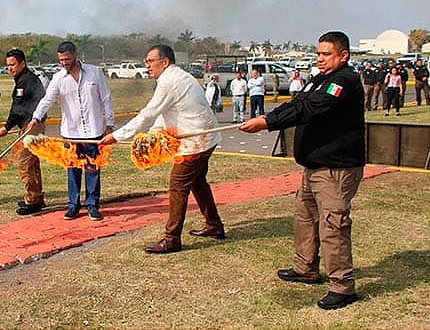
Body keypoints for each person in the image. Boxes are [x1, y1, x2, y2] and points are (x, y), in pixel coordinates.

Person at [239, 31, 365, 310]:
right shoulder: (320, 80)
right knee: (305, 218)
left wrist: (268, 122)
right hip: (314, 167)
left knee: (333, 225)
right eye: (318, 54)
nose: (320, 59)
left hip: (336, 168)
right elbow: (297, 103)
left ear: (343, 55)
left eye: (326, 54)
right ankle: (306, 267)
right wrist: (267, 117)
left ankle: (343, 287)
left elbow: (313, 107)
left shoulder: (344, 81)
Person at [100, 44, 224, 254]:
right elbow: (164, 114)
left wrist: (116, 136)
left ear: (164, 62)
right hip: (205, 136)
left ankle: (172, 238)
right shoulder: (176, 77)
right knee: (198, 182)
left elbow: (148, 113)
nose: (147, 66)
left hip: (197, 141)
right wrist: (151, 135)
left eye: (150, 61)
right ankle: (214, 225)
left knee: (178, 186)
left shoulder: (169, 80)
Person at [27, 41, 115, 221]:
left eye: (67, 58)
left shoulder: (94, 72)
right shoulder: (58, 78)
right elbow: (47, 100)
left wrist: (110, 124)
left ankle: (92, 205)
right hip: (70, 133)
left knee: (92, 169)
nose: (64, 63)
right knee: (73, 170)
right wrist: (36, 117)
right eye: (61, 60)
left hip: (93, 132)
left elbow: (106, 98)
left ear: (75, 55)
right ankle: (73, 206)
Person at [0, 49, 47, 215]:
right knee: (33, 163)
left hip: (31, 126)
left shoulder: (25, 81)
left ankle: (33, 200)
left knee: (25, 163)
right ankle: (37, 196)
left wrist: (7, 127)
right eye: (8, 65)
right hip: (33, 125)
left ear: (22, 63)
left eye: (13, 64)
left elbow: (18, 109)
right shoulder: (25, 79)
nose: (10, 68)